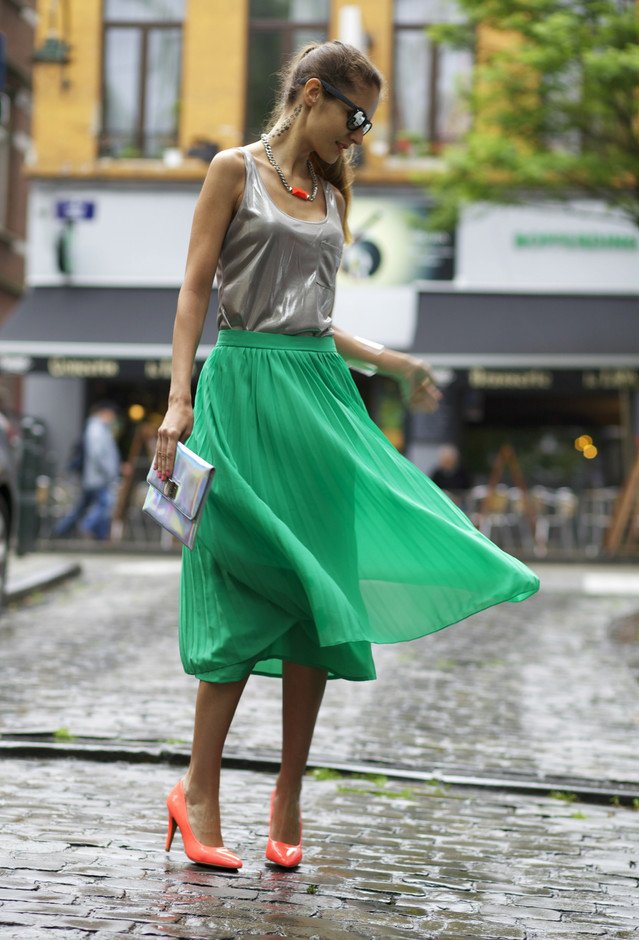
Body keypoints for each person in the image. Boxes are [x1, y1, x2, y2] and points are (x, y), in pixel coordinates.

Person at [155, 40, 539, 871]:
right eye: (353, 117)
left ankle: (289, 790)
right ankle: (199, 789)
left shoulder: (331, 195)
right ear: (311, 94)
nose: (357, 136)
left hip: (319, 405)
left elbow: (314, 319)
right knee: (242, 583)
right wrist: (179, 397)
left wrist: (394, 363)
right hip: (242, 395)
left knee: (320, 599)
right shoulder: (234, 170)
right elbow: (194, 289)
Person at [54, 401, 121, 541]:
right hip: (98, 477)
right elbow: (97, 454)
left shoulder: (98, 428)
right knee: (104, 505)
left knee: (81, 507)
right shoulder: (96, 428)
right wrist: (109, 472)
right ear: (105, 413)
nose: (113, 419)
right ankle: (86, 527)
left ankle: (60, 530)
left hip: (94, 477)